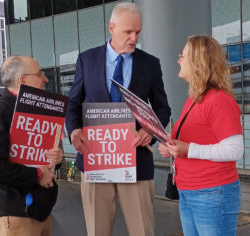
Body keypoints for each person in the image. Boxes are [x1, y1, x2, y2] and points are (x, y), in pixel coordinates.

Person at [65, 3, 171, 236]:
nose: (134, 38)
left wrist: (149, 131)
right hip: (95, 160)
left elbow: (162, 110)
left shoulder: (150, 63)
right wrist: (73, 131)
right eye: (128, 32)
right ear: (111, 27)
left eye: (138, 32)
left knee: (142, 231)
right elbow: (73, 104)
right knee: (97, 231)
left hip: (136, 161)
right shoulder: (87, 59)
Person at [158, 35, 243, 236]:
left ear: (198, 62)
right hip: (191, 191)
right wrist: (170, 147)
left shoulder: (219, 100)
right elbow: (195, 139)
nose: (178, 60)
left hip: (212, 193)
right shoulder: (196, 99)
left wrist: (188, 149)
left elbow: (235, 149)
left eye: (183, 56)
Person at [0, 56, 63, 236]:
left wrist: (56, 158)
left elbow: (43, 157)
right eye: (40, 74)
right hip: (13, 214)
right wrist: (37, 174)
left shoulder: (40, 110)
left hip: (39, 211)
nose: (46, 79)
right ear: (22, 80)